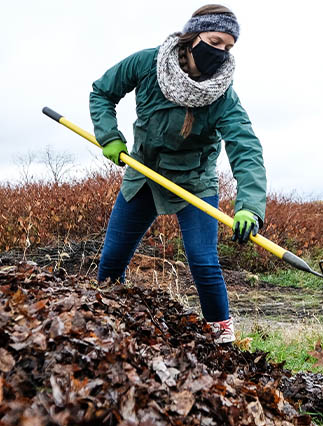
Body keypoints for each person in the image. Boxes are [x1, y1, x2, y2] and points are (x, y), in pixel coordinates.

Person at [89, 4, 266, 344]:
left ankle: (222, 338)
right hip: (144, 174)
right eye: (215, 41)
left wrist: (250, 206)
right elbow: (102, 92)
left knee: (203, 262)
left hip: (194, 183)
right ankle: (107, 322)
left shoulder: (222, 95)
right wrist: (109, 135)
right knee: (112, 259)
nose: (220, 52)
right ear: (193, 35)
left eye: (228, 47)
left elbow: (246, 149)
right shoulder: (147, 63)